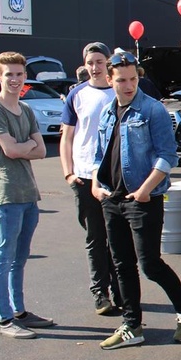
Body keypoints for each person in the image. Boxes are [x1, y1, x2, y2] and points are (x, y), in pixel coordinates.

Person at [93, 50, 181, 350]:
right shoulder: (107, 111)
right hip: (111, 197)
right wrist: (95, 183)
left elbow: (168, 155)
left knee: (149, 264)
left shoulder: (152, 111)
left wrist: (144, 189)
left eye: (132, 79)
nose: (128, 86)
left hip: (144, 199)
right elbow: (99, 153)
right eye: (121, 81)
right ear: (109, 80)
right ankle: (132, 325)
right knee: (122, 264)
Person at [0, 52, 54, 339]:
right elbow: (9, 151)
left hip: (28, 193)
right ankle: (4, 318)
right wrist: (26, 147)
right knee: (5, 256)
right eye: (9, 74)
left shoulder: (27, 110)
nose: (14, 79)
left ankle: (20, 312)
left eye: (19, 74)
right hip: (5, 194)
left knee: (21, 256)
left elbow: (43, 150)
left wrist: (23, 147)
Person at [61, 42, 123, 316]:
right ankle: (101, 292)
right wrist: (69, 172)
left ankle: (122, 290)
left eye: (100, 61)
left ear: (108, 63)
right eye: (90, 62)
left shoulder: (120, 91)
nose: (95, 67)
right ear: (84, 65)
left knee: (118, 237)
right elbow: (67, 137)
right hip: (86, 176)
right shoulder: (77, 95)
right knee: (95, 237)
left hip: (116, 177)